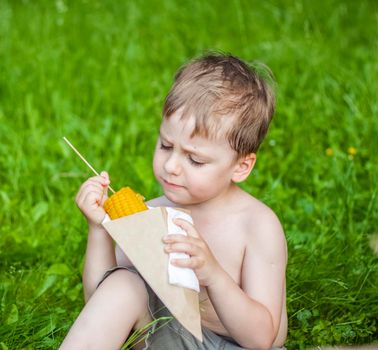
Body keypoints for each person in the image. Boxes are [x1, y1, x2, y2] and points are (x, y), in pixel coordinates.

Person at [60, 52, 287, 350]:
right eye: (166, 146)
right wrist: (100, 229)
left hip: (236, 346)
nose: (171, 166)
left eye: (195, 159)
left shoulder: (256, 225)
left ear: (241, 167)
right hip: (171, 337)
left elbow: (261, 338)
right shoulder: (154, 215)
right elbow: (100, 301)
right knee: (124, 284)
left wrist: (213, 275)